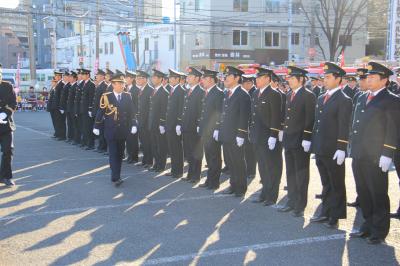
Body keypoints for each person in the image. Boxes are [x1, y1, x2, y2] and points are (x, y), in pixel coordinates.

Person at [349, 62, 400, 244]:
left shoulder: (391, 99)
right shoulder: (363, 97)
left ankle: (379, 230)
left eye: (372, 77)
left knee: (377, 192)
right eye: (367, 76)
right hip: (359, 153)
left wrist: (387, 153)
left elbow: (393, 128)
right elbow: (356, 125)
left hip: (376, 156)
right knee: (363, 191)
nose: (368, 79)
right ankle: (367, 223)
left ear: (384, 79)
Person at [310, 62, 352, 229]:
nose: (324, 80)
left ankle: (335, 215)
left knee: (336, 183)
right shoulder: (322, 97)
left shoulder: (344, 99)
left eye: (327, 77)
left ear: (338, 79)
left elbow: (344, 125)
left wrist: (342, 148)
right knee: (326, 183)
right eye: (324, 77)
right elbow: (318, 124)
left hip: (334, 150)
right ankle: (325, 212)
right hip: (321, 148)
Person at [278, 66, 316, 217]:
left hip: (301, 141)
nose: (289, 80)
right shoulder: (289, 94)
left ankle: (300, 205)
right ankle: (291, 201)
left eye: (292, 78)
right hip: (289, 139)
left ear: (301, 80)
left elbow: (309, 118)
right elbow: (286, 117)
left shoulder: (308, 95)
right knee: (291, 172)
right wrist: (282, 131)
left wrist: (307, 138)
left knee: (301, 174)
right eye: (289, 78)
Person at [93, 73, 135, 186]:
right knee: (113, 153)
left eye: (123, 83)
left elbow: (132, 113)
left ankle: (117, 174)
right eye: (119, 84)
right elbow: (100, 112)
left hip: (123, 130)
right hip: (110, 130)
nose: (122, 86)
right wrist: (96, 126)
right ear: (113, 84)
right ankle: (115, 177)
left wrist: (134, 124)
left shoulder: (127, 96)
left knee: (120, 154)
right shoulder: (107, 96)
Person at [250, 67, 282, 205]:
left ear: (268, 79)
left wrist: (273, 135)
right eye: (256, 77)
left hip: (268, 137)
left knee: (271, 167)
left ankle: (272, 196)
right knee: (262, 166)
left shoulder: (274, 94)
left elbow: (276, 116)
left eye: (260, 77)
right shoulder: (256, 93)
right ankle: (264, 193)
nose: (256, 80)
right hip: (257, 136)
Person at [217, 66, 251, 197]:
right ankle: (233, 184)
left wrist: (241, 134)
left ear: (237, 78)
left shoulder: (243, 94)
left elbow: (244, 116)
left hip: (236, 135)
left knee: (238, 161)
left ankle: (241, 187)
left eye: (229, 75)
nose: (226, 78)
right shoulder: (227, 93)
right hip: (226, 133)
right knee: (230, 162)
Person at [198, 68, 224, 190]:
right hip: (205, 129)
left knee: (214, 157)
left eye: (204, 78)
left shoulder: (218, 92)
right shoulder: (207, 91)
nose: (202, 80)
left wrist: (217, 128)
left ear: (210, 79)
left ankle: (214, 182)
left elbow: (219, 111)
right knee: (208, 157)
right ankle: (209, 180)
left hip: (213, 130)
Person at [347, 67, 369, 208]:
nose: (360, 81)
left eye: (363, 79)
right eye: (359, 79)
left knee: (370, 179)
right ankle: (360, 198)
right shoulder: (360, 96)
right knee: (358, 175)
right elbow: (353, 118)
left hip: (370, 146)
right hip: (357, 144)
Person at [180, 67, 205, 183]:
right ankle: (190, 173)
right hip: (186, 126)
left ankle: (196, 175)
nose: (187, 78)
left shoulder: (201, 92)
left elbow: (201, 110)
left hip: (195, 127)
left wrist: (199, 124)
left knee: (196, 152)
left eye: (190, 76)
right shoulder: (187, 91)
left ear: (197, 78)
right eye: (187, 76)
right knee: (189, 152)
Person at [165, 69, 185, 178]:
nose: (169, 79)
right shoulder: (172, 90)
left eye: (172, 78)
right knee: (172, 149)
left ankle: (178, 171)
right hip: (169, 124)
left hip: (175, 125)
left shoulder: (181, 91)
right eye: (169, 77)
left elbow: (181, 109)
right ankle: (174, 170)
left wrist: (178, 123)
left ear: (177, 79)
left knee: (177, 148)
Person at [148, 69, 169, 172]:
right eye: (153, 77)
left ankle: (161, 165)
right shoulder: (154, 90)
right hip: (152, 123)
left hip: (159, 124)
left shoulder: (164, 92)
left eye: (155, 77)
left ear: (161, 79)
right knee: (154, 145)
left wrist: (162, 123)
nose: (153, 79)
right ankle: (156, 164)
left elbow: (164, 109)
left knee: (161, 146)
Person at [0, 64, 17, 187]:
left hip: (6, 124)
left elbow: (13, 103)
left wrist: (4, 114)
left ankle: (7, 176)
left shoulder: (7, 86)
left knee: (8, 150)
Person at [134, 70, 154, 168]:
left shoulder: (150, 90)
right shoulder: (141, 89)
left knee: (147, 142)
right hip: (141, 120)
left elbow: (149, 108)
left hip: (146, 122)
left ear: (145, 79)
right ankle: (145, 160)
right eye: (137, 78)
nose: (137, 80)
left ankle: (149, 161)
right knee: (143, 141)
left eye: (139, 78)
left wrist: (145, 122)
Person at [241, 74, 257, 180]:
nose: (245, 85)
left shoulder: (254, 93)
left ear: (251, 83)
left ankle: (251, 171)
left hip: (252, 126)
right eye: (244, 83)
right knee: (246, 149)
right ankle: (247, 169)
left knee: (251, 151)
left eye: (247, 83)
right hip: (245, 125)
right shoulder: (245, 93)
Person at [125, 70, 139, 163]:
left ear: (132, 79)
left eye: (127, 78)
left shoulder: (136, 90)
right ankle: (129, 155)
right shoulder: (125, 89)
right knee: (127, 138)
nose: (126, 79)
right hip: (125, 117)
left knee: (133, 138)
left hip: (132, 117)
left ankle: (134, 157)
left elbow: (136, 105)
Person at [92, 69, 109, 153]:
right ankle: (100, 146)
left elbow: (103, 101)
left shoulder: (104, 86)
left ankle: (103, 147)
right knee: (100, 129)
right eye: (96, 76)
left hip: (102, 111)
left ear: (102, 77)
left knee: (102, 130)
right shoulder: (100, 85)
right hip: (98, 111)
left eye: (98, 76)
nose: (96, 77)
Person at [80, 69, 96, 150]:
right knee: (84, 127)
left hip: (88, 109)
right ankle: (85, 142)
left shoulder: (91, 84)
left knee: (89, 127)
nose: (82, 76)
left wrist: (90, 109)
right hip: (83, 109)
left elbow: (91, 98)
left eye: (83, 74)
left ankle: (90, 144)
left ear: (87, 75)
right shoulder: (83, 83)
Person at [66, 71, 78, 143]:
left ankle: (74, 138)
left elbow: (75, 99)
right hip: (69, 108)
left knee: (74, 124)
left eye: (71, 77)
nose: (69, 78)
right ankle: (70, 137)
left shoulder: (75, 86)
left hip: (73, 109)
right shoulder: (71, 85)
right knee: (69, 124)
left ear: (74, 78)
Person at [59, 71, 71, 142]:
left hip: (67, 107)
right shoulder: (65, 85)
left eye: (65, 76)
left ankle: (68, 136)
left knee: (69, 123)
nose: (63, 78)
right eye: (63, 76)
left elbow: (68, 98)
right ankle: (68, 137)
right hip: (65, 107)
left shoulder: (69, 85)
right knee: (67, 123)